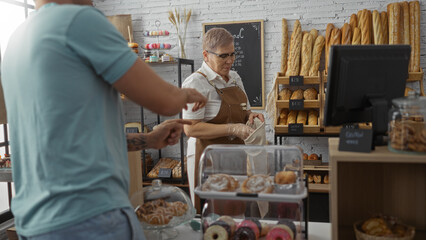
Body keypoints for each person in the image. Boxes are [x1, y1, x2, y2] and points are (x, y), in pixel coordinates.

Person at [1, 0, 207, 239]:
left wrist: (149, 140)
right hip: (89, 219)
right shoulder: (78, 21)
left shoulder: (17, 39)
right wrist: (187, 93)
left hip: (34, 223)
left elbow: (71, 140)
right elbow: (165, 101)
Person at [182, 28, 265, 211]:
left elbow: (245, 111)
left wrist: (250, 116)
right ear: (206, 55)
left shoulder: (234, 77)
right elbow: (191, 129)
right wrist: (233, 129)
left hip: (236, 158)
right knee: (212, 215)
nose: (230, 61)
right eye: (223, 56)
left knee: (236, 211)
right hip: (208, 161)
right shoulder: (195, 83)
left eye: (232, 54)